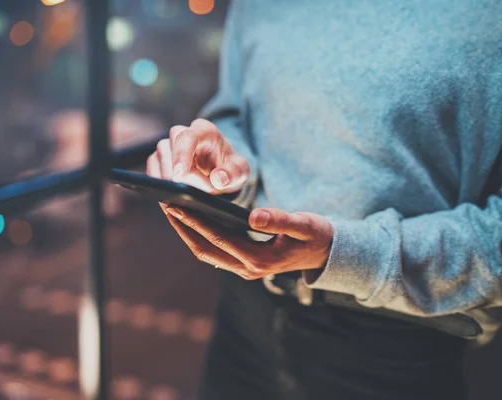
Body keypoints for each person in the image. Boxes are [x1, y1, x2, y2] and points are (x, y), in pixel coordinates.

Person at [146, 1, 502, 399]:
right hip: (243, 319)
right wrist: (224, 170)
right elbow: (237, 115)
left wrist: (344, 251)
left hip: (398, 345)